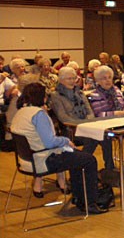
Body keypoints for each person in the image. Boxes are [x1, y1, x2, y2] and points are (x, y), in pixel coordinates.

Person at [11, 83, 107, 214]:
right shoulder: (38, 114)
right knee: (89, 160)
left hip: (27, 159)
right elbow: (50, 142)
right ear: (42, 98)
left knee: (77, 157)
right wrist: (66, 140)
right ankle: (89, 202)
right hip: (44, 159)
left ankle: (79, 197)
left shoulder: (21, 112)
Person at [51, 67, 114, 170]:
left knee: (105, 135)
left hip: (87, 125)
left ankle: (109, 169)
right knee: (92, 138)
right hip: (70, 129)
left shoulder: (80, 93)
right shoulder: (56, 95)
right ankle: (81, 166)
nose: (72, 81)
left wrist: (87, 123)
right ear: (61, 80)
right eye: (69, 79)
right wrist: (80, 125)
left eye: (74, 78)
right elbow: (63, 117)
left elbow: (90, 111)